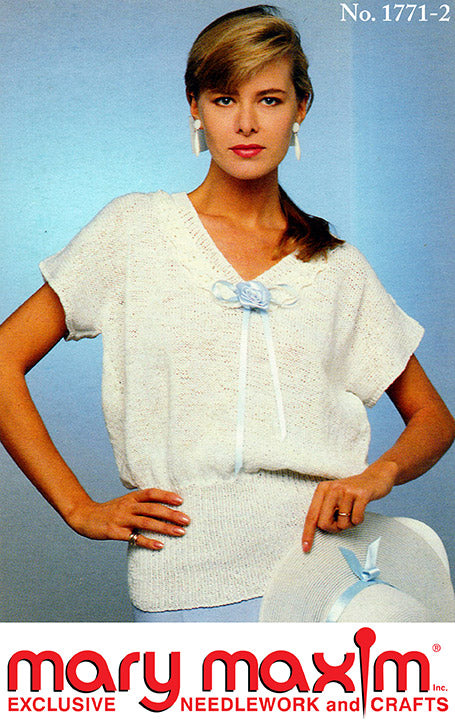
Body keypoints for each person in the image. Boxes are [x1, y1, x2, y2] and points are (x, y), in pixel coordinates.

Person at [0, 5, 454, 623]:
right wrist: (78, 508)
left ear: (301, 108)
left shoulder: (335, 267)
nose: (245, 123)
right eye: (223, 99)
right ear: (195, 107)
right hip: (185, 581)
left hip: (332, 585)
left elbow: (433, 418)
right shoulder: (137, 230)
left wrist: (380, 474)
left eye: (269, 100)